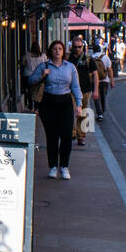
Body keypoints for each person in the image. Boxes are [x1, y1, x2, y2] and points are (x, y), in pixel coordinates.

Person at [27, 40, 82, 179]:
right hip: (48, 102)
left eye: (60, 49)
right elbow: (30, 81)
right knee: (52, 136)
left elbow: (75, 86)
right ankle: (52, 166)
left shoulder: (70, 67)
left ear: (63, 52)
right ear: (51, 51)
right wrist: (42, 75)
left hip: (65, 102)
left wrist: (79, 104)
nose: (57, 51)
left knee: (66, 136)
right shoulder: (43, 66)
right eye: (55, 49)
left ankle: (64, 166)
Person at [69, 35, 99, 146]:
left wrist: (96, 90)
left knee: (82, 113)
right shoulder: (69, 59)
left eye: (79, 47)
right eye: (75, 47)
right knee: (71, 111)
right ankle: (72, 133)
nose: (77, 49)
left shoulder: (88, 59)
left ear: (83, 47)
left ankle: (81, 136)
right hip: (71, 90)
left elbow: (95, 74)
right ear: (72, 47)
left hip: (85, 90)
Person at [20, 41, 42, 111]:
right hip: (39, 76)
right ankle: (36, 107)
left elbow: (22, 63)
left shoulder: (27, 55)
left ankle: (30, 106)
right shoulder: (43, 56)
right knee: (37, 91)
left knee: (29, 91)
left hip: (28, 75)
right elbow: (46, 63)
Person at [93, 39, 111, 120]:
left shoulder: (91, 58)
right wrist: (112, 80)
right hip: (105, 80)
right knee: (103, 96)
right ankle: (102, 110)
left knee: (96, 97)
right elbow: (109, 69)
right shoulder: (105, 57)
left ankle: (99, 113)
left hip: (94, 81)